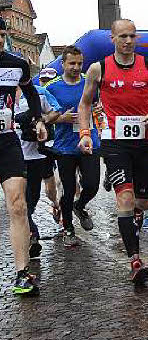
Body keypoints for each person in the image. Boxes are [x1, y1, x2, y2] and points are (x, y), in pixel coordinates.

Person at [77, 19, 148, 286]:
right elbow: (85, 104)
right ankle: (135, 260)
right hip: (116, 143)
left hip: (147, 141)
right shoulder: (98, 68)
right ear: (112, 38)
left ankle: (137, 221)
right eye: (123, 36)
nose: (128, 41)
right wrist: (85, 133)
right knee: (124, 199)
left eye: (132, 36)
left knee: (142, 203)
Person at [0, 18, 47, 295]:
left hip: (7, 141)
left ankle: (21, 273)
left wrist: (38, 120)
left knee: (18, 204)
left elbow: (30, 93)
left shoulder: (16, 64)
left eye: (2, 34)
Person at [42, 47, 100, 245]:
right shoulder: (51, 87)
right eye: (72, 64)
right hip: (65, 146)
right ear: (62, 64)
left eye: (79, 63)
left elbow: (99, 106)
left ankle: (80, 205)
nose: (76, 67)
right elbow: (42, 118)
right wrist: (60, 118)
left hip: (90, 140)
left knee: (92, 185)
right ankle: (68, 228)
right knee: (67, 189)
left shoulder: (89, 82)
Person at [16, 85, 58, 254]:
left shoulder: (38, 92)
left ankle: (30, 228)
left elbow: (56, 111)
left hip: (35, 155)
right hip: (11, 155)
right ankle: (33, 234)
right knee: (18, 200)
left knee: (31, 200)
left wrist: (40, 121)